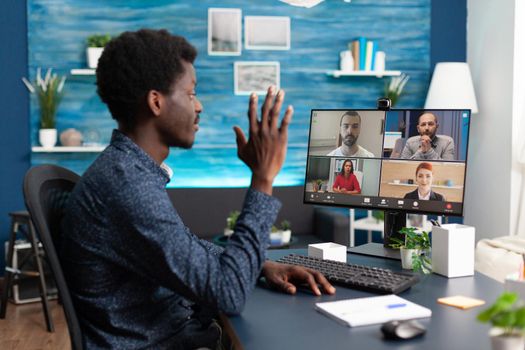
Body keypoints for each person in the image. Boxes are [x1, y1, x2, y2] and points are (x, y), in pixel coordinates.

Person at [60, 29, 335, 350]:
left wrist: (261, 265)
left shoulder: (128, 171)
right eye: (191, 94)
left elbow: (187, 247)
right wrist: (263, 178)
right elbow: (228, 293)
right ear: (156, 101)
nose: (199, 106)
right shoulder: (127, 186)